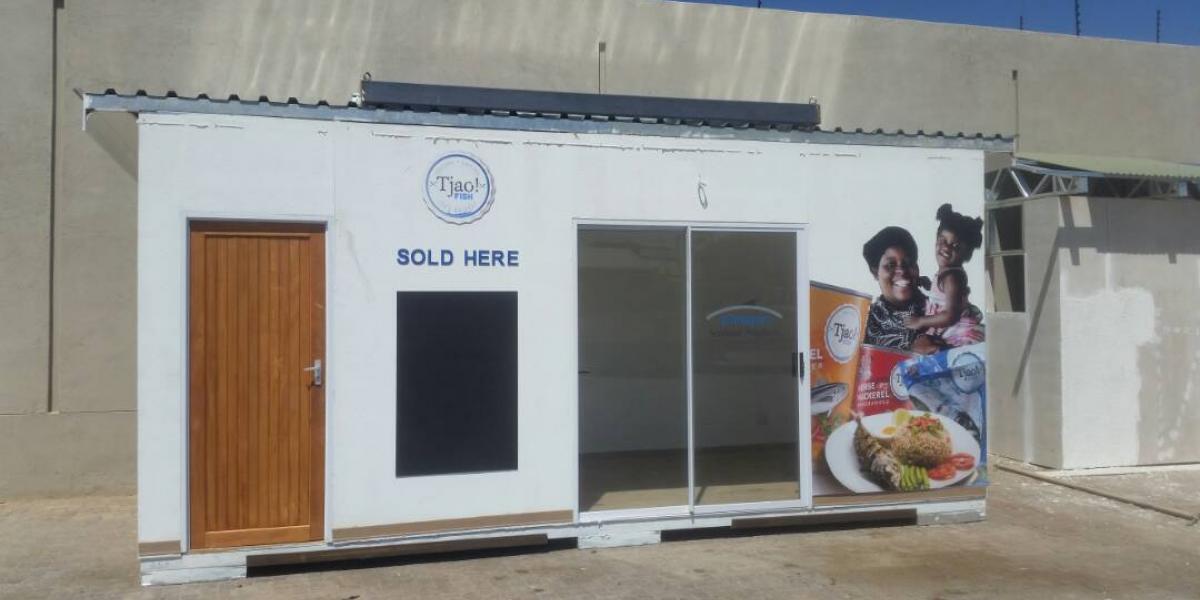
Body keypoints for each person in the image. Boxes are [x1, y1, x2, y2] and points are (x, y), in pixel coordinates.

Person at [902, 204, 985, 347]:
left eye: (955, 246)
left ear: (967, 254)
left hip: (955, 331)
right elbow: (942, 295)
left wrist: (920, 321)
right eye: (942, 240)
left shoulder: (951, 278)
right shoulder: (948, 274)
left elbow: (950, 315)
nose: (946, 247)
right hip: (949, 328)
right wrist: (929, 285)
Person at [861, 226, 940, 354]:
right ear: (875, 272)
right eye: (890, 265)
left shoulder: (940, 309)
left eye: (909, 263)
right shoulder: (863, 324)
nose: (902, 271)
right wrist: (910, 353)